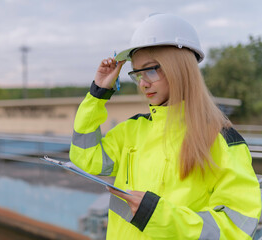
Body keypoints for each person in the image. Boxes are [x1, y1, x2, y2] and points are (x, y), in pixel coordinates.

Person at [69, 13, 261, 239]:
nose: (143, 83)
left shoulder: (223, 140)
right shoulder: (132, 130)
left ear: (180, 68)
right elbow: (84, 157)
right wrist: (97, 93)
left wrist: (160, 216)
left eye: (150, 70)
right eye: (137, 73)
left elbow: (236, 227)